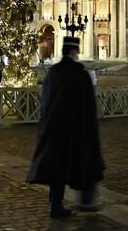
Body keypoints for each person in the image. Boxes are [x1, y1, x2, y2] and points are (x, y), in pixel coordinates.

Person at [27, 35, 105, 217]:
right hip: (76, 129)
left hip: (54, 130)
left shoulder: (53, 72)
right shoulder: (80, 73)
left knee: (57, 169)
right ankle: (86, 200)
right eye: (77, 51)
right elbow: (88, 106)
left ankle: (55, 205)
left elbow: (45, 102)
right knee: (84, 163)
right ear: (74, 51)